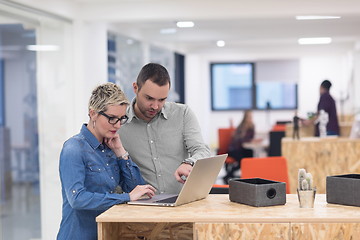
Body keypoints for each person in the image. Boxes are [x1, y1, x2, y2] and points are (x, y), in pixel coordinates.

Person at [57, 83, 156, 240]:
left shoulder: (110, 147)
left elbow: (137, 189)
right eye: (112, 119)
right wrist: (126, 198)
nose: (117, 125)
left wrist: (121, 153)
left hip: (107, 233)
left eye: (121, 119)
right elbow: (77, 199)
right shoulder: (73, 149)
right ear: (93, 113)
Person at [119, 63, 211, 194]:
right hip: (143, 206)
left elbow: (202, 150)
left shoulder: (182, 114)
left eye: (162, 99)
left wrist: (189, 163)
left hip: (181, 202)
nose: (155, 106)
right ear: (135, 88)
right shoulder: (119, 122)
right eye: (149, 98)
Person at [223, 110, 255, 183]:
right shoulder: (241, 126)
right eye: (249, 117)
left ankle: (249, 174)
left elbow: (250, 138)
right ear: (245, 118)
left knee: (250, 153)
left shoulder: (251, 126)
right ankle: (229, 174)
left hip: (241, 149)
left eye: (251, 117)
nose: (250, 119)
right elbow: (240, 140)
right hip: (233, 150)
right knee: (243, 160)